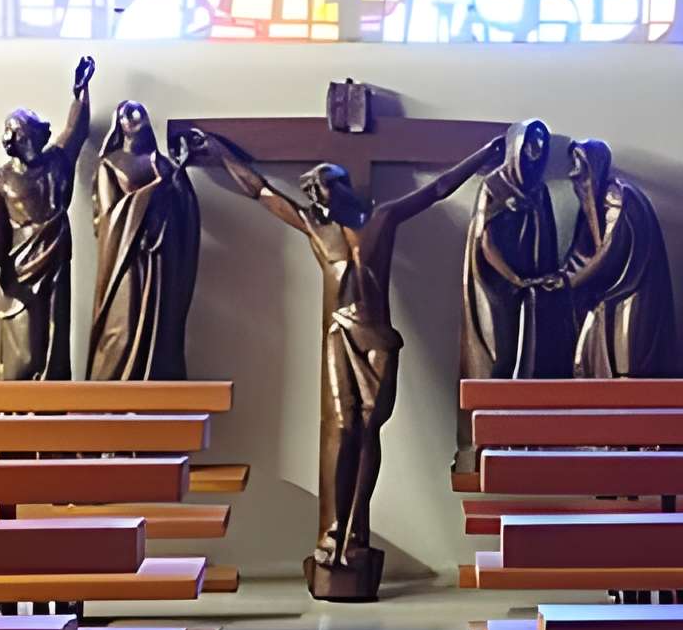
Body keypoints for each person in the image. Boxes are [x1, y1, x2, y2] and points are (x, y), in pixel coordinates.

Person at [186, 128, 498, 600]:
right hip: (340, 337)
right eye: (310, 192)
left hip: (380, 340)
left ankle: (354, 527)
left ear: (344, 185)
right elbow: (262, 191)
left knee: (369, 430)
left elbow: (435, 191)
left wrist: (479, 158)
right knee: (344, 426)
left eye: (322, 187)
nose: (314, 196)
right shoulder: (318, 229)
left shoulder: (383, 220)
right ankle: (333, 531)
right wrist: (222, 153)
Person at [0, 56, 95, 381]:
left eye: (20, 131)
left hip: (55, 262)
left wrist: (81, 92)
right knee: (24, 346)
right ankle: (14, 401)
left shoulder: (58, 162)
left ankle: (50, 398)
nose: (13, 138)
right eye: (11, 132)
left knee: (56, 336)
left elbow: (76, 129)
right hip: (18, 270)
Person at [86, 99, 200, 381]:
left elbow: (184, 212)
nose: (135, 117)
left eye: (140, 111)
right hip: (126, 261)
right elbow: (110, 216)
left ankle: (157, 382)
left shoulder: (164, 165)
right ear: (119, 125)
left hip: (159, 259)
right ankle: (110, 390)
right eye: (127, 113)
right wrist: (155, 189)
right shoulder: (110, 166)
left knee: (160, 330)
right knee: (121, 330)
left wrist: (178, 177)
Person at [544, 137, 674, 378]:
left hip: (631, 290)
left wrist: (570, 282)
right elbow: (582, 254)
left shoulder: (618, 197)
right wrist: (561, 278)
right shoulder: (595, 205)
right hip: (607, 294)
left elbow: (611, 251)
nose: (573, 175)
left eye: (579, 168)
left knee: (626, 363)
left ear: (594, 167)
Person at [463, 117, 571, 382]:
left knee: (534, 353)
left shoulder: (539, 191)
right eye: (529, 146)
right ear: (515, 148)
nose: (534, 155)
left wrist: (542, 278)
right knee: (501, 352)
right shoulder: (493, 186)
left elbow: (546, 239)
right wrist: (513, 278)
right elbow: (485, 242)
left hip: (532, 286)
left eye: (540, 148)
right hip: (497, 284)